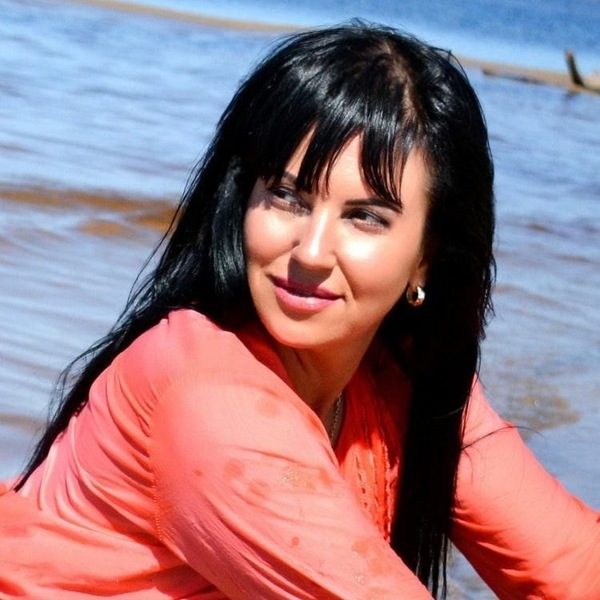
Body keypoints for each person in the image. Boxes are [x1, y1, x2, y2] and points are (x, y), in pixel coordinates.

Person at [0, 22, 598, 600]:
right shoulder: (209, 397)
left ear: (427, 259)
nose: (310, 252)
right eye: (287, 196)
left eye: (365, 217)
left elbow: (570, 567)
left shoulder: (404, 375)